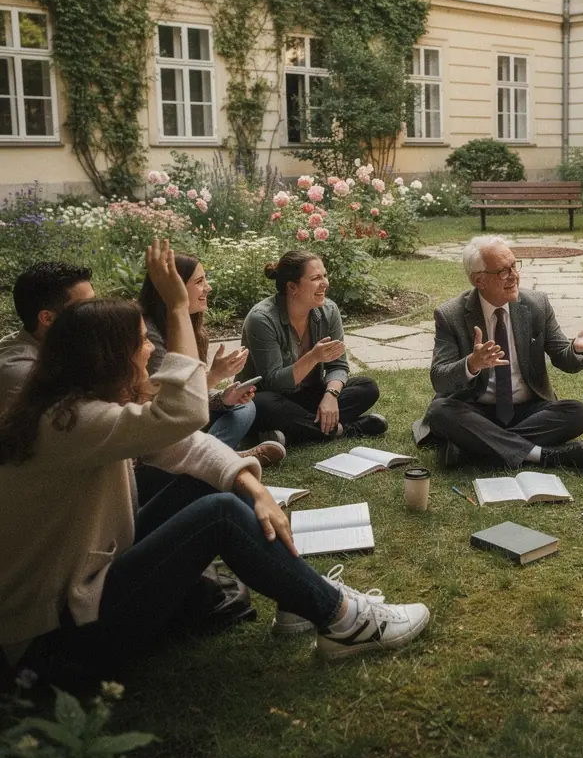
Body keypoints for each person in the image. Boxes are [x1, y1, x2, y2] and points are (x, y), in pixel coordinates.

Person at [0, 240, 430, 685]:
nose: (150, 350)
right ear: (109, 360)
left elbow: (185, 447)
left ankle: (297, 597)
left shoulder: (76, 405)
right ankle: (345, 621)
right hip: (54, 639)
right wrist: (177, 305)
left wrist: (252, 484)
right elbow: (185, 414)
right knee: (218, 514)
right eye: (142, 343)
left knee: (212, 485)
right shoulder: (68, 421)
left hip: (87, 591)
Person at [417, 235, 583, 469]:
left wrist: (577, 349)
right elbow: (440, 380)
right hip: (475, 408)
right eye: (503, 271)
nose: (514, 276)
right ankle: (542, 456)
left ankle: (475, 446)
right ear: (479, 280)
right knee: (440, 412)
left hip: (528, 409)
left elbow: (563, 358)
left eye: (514, 265)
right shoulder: (450, 315)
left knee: (576, 412)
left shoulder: (536, 304)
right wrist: (472, 364)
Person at [138, 254, 284, 468]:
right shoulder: (148, 336)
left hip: (186, 421)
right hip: (160, 427)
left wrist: (225, 397)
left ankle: (216, 456)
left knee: (245, 408)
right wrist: (214, 375)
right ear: (172, 289)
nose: (208, 288)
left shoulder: (193, 325)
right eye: (199, 282)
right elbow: (170, 401)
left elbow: (197, 395)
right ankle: (219, 460)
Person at [241, 251, 386, 445]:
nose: (325, 283)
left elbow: (338, 366)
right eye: (316, 278)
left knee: (367, 387)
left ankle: (292, 432)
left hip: (309, 396)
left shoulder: (329, 310)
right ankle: (347, 429)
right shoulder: (262, 319)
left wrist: (331, 396)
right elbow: (272, 382)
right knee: (262, 404)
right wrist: (313, 357)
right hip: (271, 398)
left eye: (324, 275)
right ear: (293, 287)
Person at [0, 261, 94, 408]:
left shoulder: (58, 344)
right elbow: (75, 420)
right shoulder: (21, 373)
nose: (97, 312)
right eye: (86, 308)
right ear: (47, 318)